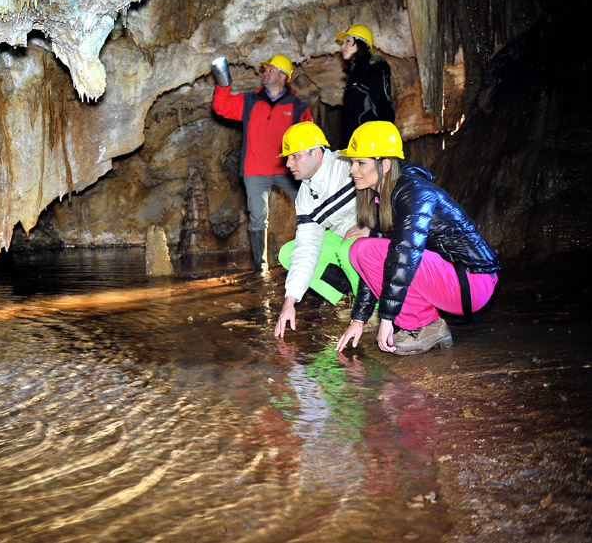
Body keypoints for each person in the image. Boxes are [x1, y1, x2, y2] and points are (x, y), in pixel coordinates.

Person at [334, 121, 500, 356]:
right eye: (352, 162)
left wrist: (386, 319)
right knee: (360, 248)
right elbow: (380, 264)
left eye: (360, 162)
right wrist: (359, 319)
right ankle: (423, 323)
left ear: (385, 165)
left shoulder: (415, 193)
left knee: (366, 249)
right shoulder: (386, 196)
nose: (352, 169)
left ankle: (422, 326)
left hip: (472, 282)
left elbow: (403, 256)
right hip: (452, 276)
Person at [212, 54, 313, 274]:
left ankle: (312, 257)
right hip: (256, 170)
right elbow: (221, 107)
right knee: (258, 218)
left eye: (270, 69)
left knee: (310, 209)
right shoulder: (249, 101)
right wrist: (223, 84)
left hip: (288, 170)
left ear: (283, 76)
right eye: (265, 70)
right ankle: (261, 267)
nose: (264, 73)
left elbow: (311, 138)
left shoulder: (297, 107)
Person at [274, 122, 365, 337]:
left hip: (376, 238)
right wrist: (289, 302)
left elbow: (387, 190)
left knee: (349, 250)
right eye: (288, 157)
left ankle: (372, 310)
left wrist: (372, 226)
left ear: (316, 153)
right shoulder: (306, 195)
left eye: (295, 156)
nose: (288, 163)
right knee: (289, 253)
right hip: (344, 240)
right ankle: (348, 296)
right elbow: (307, 247)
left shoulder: (347, 166)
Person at [337, 24, 394, 147]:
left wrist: (382, 141)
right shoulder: (353, 76)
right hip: (355, 145)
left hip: (370, 143)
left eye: (348, 41)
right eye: (343, 42)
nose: (342, 46)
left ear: (361, 44)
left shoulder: (376, 68)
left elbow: (381, 104)